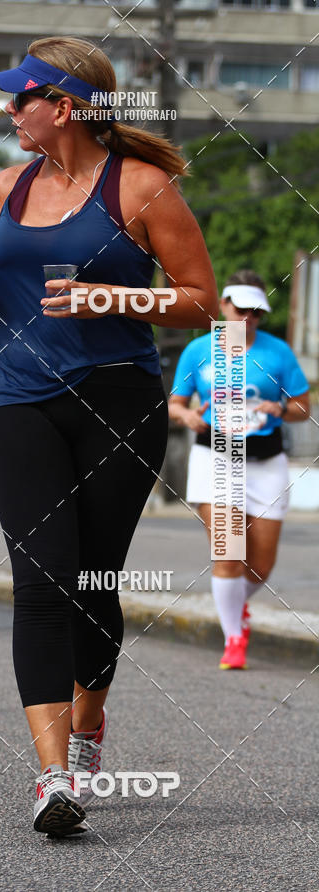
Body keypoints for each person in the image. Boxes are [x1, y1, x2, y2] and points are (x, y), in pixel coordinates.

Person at [0, 36, 217, 835]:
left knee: (94, 582)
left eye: (20, 98)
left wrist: (113, 301)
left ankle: (90, 723)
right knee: (42, 579)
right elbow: (15, 296)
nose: (8, 111)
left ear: (62, 107)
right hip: (17, 398)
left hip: (118, 401)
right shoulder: (5, 186)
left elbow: (199, 300)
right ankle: (54, 776)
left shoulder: (142, 187)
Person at [169, 269, 310, 670]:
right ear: (224, 306)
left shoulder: (277, 352)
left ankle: (234, 608)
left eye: (256, 312)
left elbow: (303, 408)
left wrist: (280, 408)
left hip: (266, 462)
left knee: (260, 565)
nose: (247, 318)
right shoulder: (198, 350)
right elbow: (176, 403)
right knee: (229, 554)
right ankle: (233, 638)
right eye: (239, 308)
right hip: (215, 457)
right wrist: (187, 417)